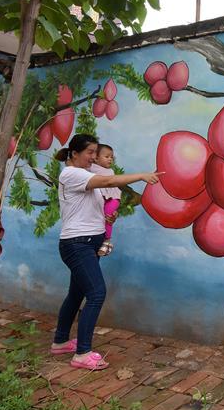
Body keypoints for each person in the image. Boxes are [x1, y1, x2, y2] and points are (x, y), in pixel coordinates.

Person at [49, 133, 162, 370]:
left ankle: (60, 342)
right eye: (89, 153)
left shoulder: (85, 175)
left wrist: (107, 217)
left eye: (94, 152)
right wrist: (142, 175)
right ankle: (82, 353)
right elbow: (109, 183)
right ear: (75, 153)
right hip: (77, 244)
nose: (93, 158)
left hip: (88, 242)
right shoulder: (72, 174)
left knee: (76, 294)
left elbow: (93, 206)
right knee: (97, 293)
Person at [90, 144, 121, 257]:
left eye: (111, 157)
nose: (110, 159)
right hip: (103, 198)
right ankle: (104, 242)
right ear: (96, 158)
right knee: (100, 218)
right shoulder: (91, 167)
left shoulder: (110, 171)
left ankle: (107, 240)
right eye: (107, 156)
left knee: (108, 218)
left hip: (112, 198)